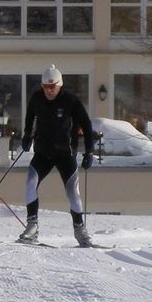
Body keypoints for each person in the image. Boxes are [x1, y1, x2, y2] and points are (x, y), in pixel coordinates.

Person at [18, 64, 95, 247]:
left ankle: (80, 229)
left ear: (60, 86)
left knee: (72, 193)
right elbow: (30, 116)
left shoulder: (70, 100)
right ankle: (32, 226)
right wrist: (27, 135)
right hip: (43, 152)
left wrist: (89, 151)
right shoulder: (37, 98)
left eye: (53, 87)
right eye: (46, 87)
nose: (49, 91)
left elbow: (86, 123)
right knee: (30, 182)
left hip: (65, 154)